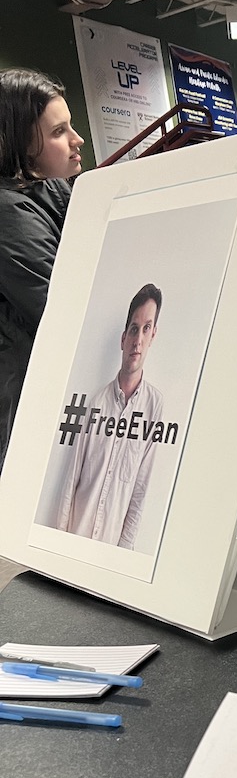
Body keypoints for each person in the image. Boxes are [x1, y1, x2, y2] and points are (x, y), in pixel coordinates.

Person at [0, 68, 83, 466]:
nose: (76, 139)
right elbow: (60, 311)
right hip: (22, 407)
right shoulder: (9, 214)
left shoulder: (53, 192)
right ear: (19, 144)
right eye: (58, 132)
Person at [57, 284, 164, 550]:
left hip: (110, 551)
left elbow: (140, 491)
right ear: (123, 339)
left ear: (153, 336)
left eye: (146, 328)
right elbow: (71, 479)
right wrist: (58, 545)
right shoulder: (96, 404)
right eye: (133, 329)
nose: (138, 339)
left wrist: (122, 557)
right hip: (76, 539)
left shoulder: (154, 408)